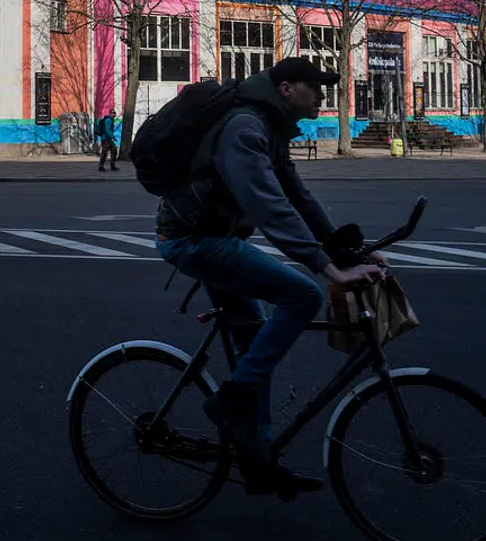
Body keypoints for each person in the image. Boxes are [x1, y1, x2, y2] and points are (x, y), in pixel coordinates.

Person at [155, 57, 385, 498]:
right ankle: (233, 399)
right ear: (285, 89)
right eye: (312, 86)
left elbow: (298, 197)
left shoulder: (271, 129)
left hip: (216, 237)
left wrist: (345, 248)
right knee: (302, 295)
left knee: (254, 339)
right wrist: (325, 267)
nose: (321, 94)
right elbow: (267, 204)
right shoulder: (246, 128)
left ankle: (255, 456)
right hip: (195, 240)